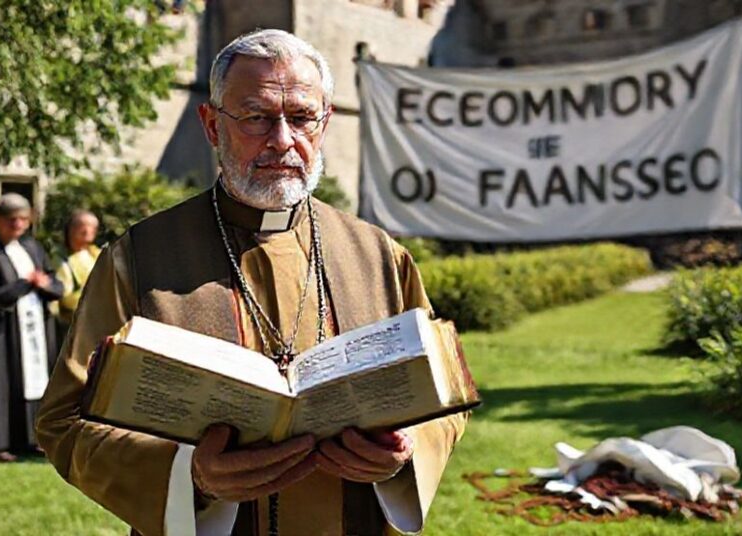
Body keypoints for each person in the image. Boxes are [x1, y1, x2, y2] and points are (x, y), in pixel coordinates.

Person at [36, 29, 469, 535]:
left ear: (325, 122)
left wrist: (405, 454)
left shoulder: (378, 255)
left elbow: (443, 395)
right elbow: (65, 422)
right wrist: (189, 476)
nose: (283, 140)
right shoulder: (138, 258)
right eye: (257, 117)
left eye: (302, 117)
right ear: (212, 125)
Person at [0, 194, 63, 460]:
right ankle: (2, 444)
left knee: (36, 382)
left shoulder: (33, 248)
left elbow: (55, 284)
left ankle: (34, 438)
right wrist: (25, 284)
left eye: (24, 219)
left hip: (35, 326)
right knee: (5, 383)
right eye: (12, 220)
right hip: (5, 330)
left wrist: (44, 285)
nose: (19, 225)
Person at [53, 209, 101, 327]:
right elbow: (62, 296)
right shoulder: (60, 258)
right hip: (74, 322)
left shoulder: (97, 254)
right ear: (70, 229)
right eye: (82, 226)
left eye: (92, 227)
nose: (87, 230)